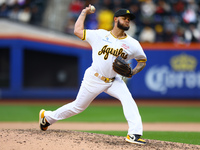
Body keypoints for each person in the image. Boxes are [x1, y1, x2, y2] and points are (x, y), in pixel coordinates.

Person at [39, 5, 147, 145]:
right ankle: (48, 117)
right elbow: (78, 31)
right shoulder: (100, 35)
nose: (127, 21)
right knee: (77, 107)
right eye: (124, 18)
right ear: (115, 19)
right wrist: (84, 12)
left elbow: (142, 61)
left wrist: (133, 72)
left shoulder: (133, 44)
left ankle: (134, 134)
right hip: (94, 78)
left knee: (128, 100)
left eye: (129, 19)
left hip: (114, 80)